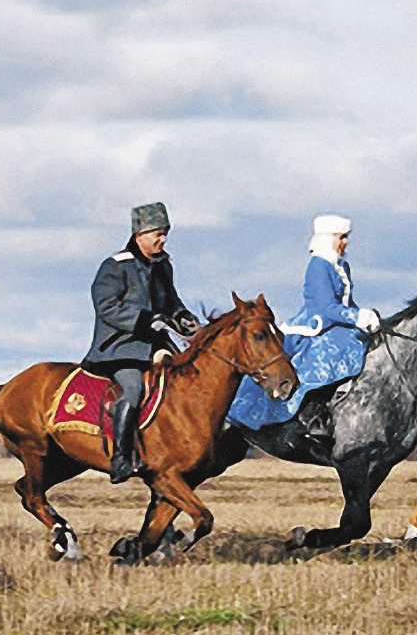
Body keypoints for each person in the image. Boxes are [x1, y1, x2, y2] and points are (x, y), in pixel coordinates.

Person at [227, 213, 380, 458]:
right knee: (327, 357)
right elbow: (324, 307)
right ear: (328, 238)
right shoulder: (318, 265)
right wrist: (355, 317)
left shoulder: (342, 266)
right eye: (342, 237)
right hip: (317, 324)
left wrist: (363, 316)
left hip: (338, 324)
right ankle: (311, 415)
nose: (345, 243)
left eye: (346, 237)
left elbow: (345, 302)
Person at [82, 202, 201, 483]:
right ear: (140, 234)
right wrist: (146, 319)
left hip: (158, 346)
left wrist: (182, 316)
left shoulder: (163, 265)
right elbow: (106, 306)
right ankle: (120, 460)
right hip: (120, 348)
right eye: (157, 234)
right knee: (133, 389)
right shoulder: (115, 265)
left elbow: (171, 300)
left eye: (165, 234)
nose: (163, 239)